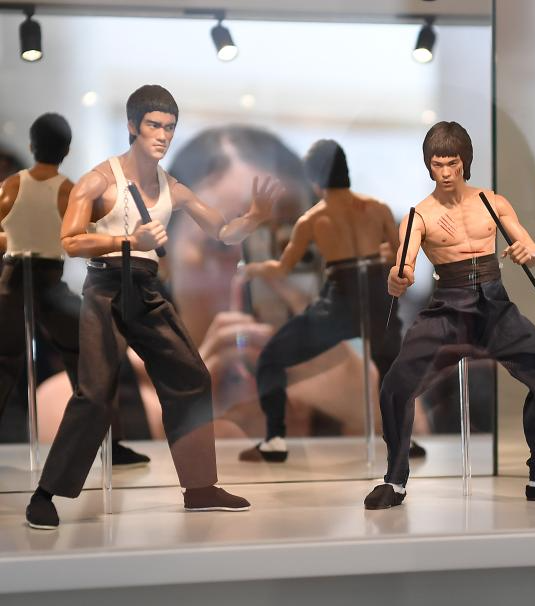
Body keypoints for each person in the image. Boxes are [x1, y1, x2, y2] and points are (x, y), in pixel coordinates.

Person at [25, 85, 281, 529]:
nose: (162, 135)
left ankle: (200, 488)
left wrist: (254, 218)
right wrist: (129, 240)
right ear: (132, 126)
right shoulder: (99, 181)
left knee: (191, 375)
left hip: (146, 288)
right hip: (106, 287)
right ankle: (46, 493)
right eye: (154, 125)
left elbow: (221, 231)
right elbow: (70, 241)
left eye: (169, 127)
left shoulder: (171, 187)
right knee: (95, 393)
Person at [363, 121, 535, 509]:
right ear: (428, 166)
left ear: (465, 161)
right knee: (395, 387)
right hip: (447, 308)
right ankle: (395, 480)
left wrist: (528, 251)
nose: (446, 172)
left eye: (453, 163)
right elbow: (405, 262)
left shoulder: (491, 202)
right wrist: (399, 278)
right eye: (438, 164)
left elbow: (528, 244)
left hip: (495, 306)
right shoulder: (419, 215)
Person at [238, 139, 423, 462]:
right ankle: (403, 439)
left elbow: (283, 267)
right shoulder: (377, 208)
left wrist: (251, 268)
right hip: (378, 295)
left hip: (340, 301)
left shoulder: (313, 219)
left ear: (314, 180)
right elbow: (399, 254)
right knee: (390, 369)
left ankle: (275, 440)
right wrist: (380, 256)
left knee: (271, 358)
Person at [0, 113, 150, 467]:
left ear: (33, 146)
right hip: (33, 282)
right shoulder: (65, 190)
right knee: (90, 358)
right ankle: (111, 443)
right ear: (66, 150)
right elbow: (82, 238)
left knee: (87, 357)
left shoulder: (19, 187)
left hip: (31, 282)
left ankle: (110, 444)